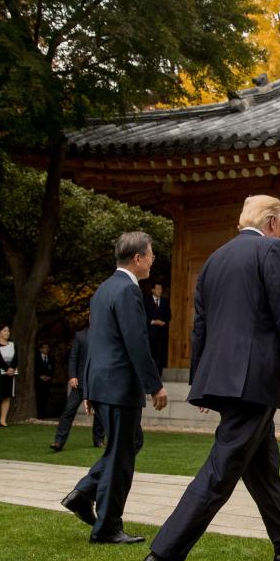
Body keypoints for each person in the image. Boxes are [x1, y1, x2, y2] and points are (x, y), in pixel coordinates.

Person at [138, 195, 280, 561]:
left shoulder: (214, 260)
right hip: (256, 379)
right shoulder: (273, 248)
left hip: (224, 379)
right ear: (272, 222)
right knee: (221, 472)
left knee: (264, 465)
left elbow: (200, 325)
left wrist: (200, 382)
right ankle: (163, 556)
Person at [60, 232, 168, 544]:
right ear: (137, 258)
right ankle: (107, 526)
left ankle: (84, 494)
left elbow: (96, 341)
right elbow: (136, 341)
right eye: (150, 255)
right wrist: (155, 385)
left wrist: (90, 388)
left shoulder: (104, 290)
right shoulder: (128, 291)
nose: (152, 260)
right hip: (120, 386)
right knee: (121, 454)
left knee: (128, 444)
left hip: (104, 383)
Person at [51, 328, 105, 451]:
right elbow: (73, 357)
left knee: (101, 413)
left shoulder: (107, 333)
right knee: (69, 410)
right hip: (79, 382)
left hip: (98, 382)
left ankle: (99, 440)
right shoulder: (80, 335)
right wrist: (72, 376)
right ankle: (59, 441)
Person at [0, 324, 17, 428]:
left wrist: (12, 368)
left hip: (10, 374)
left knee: (7, 397)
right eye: (5, 331)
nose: (7, 333)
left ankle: (3, 420)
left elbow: (15, 358)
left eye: (8, 331)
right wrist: (7, 368)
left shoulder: (13, 345)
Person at [144, 283, 171, 376]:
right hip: (150, 333)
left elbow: (169, 315)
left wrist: (164, 322)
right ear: (153, 290)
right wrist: (153, 322)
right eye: (158, 288)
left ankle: (159, 376)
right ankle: (149, 376)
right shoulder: (146, 301)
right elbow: (143, 316)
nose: (160, 291)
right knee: (150, 355)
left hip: (161, 334)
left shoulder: (164, 301)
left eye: (161, 288)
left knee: (160, 355)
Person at [34, 342, 56, 419]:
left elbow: (52, 370)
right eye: (44, 347)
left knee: (46, 398)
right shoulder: (36, 358)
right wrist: (40, 376)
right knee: (39, 398)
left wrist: (49, 377)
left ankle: (44, 414)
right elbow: (35, 369)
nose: (46, 349)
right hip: (39, 382)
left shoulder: (51, 358)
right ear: (40, 349)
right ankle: (39, 415)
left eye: (47, 348)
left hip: (47, 382)